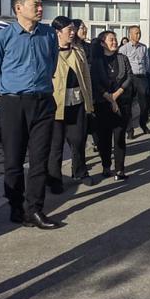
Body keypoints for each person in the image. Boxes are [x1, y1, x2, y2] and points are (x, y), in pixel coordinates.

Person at [0, 0, 61, 230]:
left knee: (40, 159)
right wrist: (8, 90)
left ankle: (35, 209)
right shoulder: (2, 38)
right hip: (14, 103)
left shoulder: (49, 35)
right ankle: (16, 206)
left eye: (41, 4)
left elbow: (51, 64)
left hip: (43, 102)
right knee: (14, 160)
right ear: (19, 8)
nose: (41, 8)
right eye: (35, 4)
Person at [48, 16, 95, 193]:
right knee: (56, 145)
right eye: (69, 30)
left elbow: (86, 78)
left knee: (78, 140)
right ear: (58, 33)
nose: (73, 33)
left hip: (77, 101)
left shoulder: (78, 50)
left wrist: (89, 103)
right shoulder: (49, 51)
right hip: (56, 104)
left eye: (73, 29)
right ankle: (54, 179)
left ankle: (80, 171)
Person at [91, 31, 133, 181]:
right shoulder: (97, 61)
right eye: (111, 40)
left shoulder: (123, 58)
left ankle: (120, 170)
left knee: (119, 137)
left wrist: (116, 95)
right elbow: (94, 81)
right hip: (103, 104)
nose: (115, 42)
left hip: (122, 102)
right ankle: (106, 166)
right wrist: (108, 97)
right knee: (104, 137)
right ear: (103, 43)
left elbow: (129, 76)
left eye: (115, 39)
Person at [119, 26, 150, 139]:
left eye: (139, 33)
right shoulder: (124, 49)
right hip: (129, 78)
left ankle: (143, 123)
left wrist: (144, 72)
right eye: (136, 33)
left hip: (141, 78)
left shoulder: (143, 47)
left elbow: (147, 62)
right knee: (127, 105)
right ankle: (129, 129)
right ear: (130, 34)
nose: (138, 35)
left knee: (144, 104)